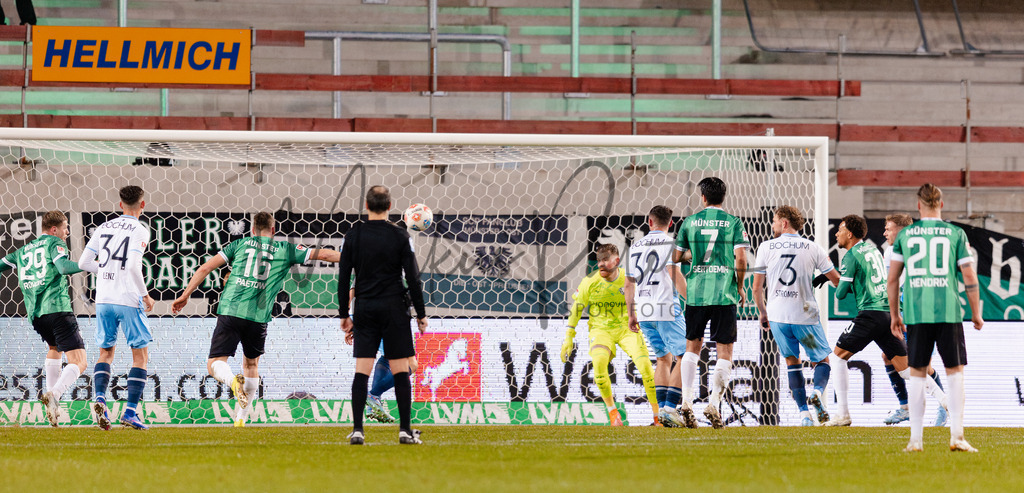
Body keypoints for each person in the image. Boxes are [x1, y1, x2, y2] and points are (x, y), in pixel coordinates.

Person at [172, 212, 340, 427]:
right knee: (251, 365)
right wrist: (354, 257)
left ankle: (233, 382)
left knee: (215, 363)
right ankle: (240, 420)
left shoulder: (239, 245)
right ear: (273, 230)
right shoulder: (285, 249)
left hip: (231, 310)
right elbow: (324, 255)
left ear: (252, 230)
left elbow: (206, 268)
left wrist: (185, 295)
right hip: (258, 317)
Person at [888, 184, 982, 453]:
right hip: (948, 311)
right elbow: (969, 276)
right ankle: (957, 437)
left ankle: (915, 441)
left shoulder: (906, 235)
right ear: (941, 204)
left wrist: (895, 315)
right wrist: (975, 312)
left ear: (918, 206)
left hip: (917, 313)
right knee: (955, 372)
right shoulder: (955, 233)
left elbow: (892, 279)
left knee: (917, 373)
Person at [338, 186, 428, 445]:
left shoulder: (353, 235)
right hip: (394, 309)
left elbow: (344, 277)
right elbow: (413, 276)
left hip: (365, 308)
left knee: (361, 371)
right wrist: (421, 313)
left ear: (366, 206)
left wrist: (344, 313)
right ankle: (404, 431)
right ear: (390, 207)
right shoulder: (400, 236)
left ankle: (357, 430)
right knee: (401, 370)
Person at [672, 177, 749, 429]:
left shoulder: (690, 222)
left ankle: (685, 403)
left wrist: (691, 255)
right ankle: (714, 403)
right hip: (724, 293)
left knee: (692, 346)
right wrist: (739, 285)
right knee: (724, 349)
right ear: (723, 197)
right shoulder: (734, 222)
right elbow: (741, 259)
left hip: (696, 292)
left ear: (702, 197)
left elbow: (675, 257)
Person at [752, 206, 839, 426]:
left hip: (778, 317)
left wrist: (763, 313)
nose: (772, 225)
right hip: (805, 316)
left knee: (792, 361)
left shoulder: (766, 247)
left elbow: (756, 288)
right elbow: (836, 279)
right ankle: (818, 393)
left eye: (774, 221)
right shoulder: (813, 247)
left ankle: (804, 415)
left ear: (784, 223)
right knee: (821, 359)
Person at [825, 214, 914, 427]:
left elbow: (842, 293)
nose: (884, 233)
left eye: (888, 229)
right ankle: (939, 402)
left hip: (895, 312)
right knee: (903, 366)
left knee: (838, 357)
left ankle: (843, 414)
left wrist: (837, 279)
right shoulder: (878, 250)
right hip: (889, 311)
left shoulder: (856, 254)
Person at [78, 185, 155, 430]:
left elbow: (83, 262)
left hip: (103, 299)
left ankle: (100, 398)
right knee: (140, 356)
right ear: (142, 205)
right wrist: (145, 296)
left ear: (120, 204)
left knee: (105, 353)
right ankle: (130, 412)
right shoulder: (140, 229)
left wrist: (107, 270)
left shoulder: (103, 227)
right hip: (128, 298)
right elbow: (133, 267)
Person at [0, 211, 85, 427]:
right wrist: (90, 265)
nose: (67, 232)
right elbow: (64, 268)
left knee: (54, 348)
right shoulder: (55, 244)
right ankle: (54, 394)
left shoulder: (23, 250)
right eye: (65, 227)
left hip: (36, 315)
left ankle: (52, 408)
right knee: (80, 362)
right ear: (54, 229)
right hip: (57, 308)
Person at [561, 243, 659, 427]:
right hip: (601, 330)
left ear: (617, 261)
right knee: (598, 366)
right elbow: (577, 308)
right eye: (599, 260)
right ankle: (613, 414)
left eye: (606, 260)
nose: (600, 264)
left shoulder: (628, 279)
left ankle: (657, 417)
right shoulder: (589, 283)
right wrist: (569, 335)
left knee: (646, 367)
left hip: (626, 328)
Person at [624, 205, 689, 427]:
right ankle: (670, 408)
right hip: (665, 307)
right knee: (684, 355)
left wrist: (631, 314)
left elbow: (628, 284)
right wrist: (691, 299)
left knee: (663, 359)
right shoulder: (670, 244)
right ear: (670, 223)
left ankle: (661, 413)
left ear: (649, 222)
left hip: (643, 310)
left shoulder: (635, 247)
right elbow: (675, 273)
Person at [882, 213, 948, 427]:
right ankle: (905, 407)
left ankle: (944, 406)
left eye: (889, 228)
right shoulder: (889, 251)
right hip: (902, 313)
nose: (885, 233)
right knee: (888, 355)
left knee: (923, 366)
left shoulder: (922, 249)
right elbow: (890, 283)